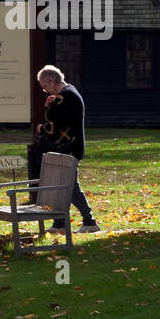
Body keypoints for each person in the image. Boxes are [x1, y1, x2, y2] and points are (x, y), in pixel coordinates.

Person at [35, 64, 101, 233]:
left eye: (45, 88)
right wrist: (52, 102)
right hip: (68, 147)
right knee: (60, 185)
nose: (46, 92)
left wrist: (41, 128)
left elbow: (55, 125)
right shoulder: (67, 93)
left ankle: (89, 221)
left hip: (68, 148)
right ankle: (60, 222)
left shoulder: (66, 97)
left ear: (52, 81)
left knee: (69, 186)